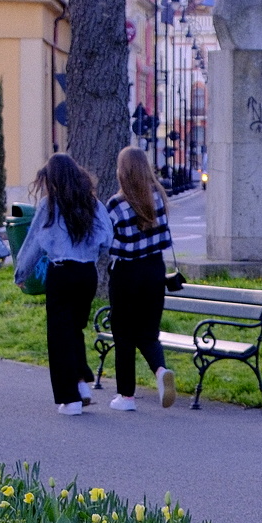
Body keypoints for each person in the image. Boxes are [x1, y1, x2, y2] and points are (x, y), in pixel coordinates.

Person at [14, 155, 112, 415]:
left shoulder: (50, 205)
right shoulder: (93, 203)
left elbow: (34, 242)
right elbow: (107, 240)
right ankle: (81, 385)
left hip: (62, 272)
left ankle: (70, 400)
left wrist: (21, 274)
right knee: (75, 330)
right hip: (87, 274)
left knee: (59, 336)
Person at [104, 147, 177, 411]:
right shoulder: (158, 196)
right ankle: (160, 371)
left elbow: (109, 243)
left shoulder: (116, 204)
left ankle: (126, 396)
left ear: (122, 171)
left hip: (127, 273)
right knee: (148, 332)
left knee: (123, 334)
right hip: (155, 269)